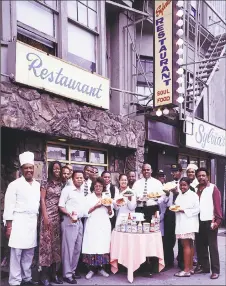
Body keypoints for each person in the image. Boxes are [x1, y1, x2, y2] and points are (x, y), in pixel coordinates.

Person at [3, 151, 40, 286]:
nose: (29, 170)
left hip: (31, 222)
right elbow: (9, 207)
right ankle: (15, 281)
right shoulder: (14, 185)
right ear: (21, 170)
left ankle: (27, 278)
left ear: (34, 169)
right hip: (18, 222)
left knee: (29, 252)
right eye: (26, 168)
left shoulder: (37, 185)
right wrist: (9, 226)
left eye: (31, 167)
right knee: (16, 252)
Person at [132, 163, 164, 276]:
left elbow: (162, 197)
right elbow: (133, 196)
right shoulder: (136, 183)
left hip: (152, 209)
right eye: (144, 169)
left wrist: (155, 199)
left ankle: (154, 265)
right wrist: (137, 199)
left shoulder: (157, 183)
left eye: (148, 170)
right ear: (142, 170)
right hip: (140, 210)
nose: (146, 171)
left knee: (152, 236)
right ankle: (142, 265)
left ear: (151, 170)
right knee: (140, 236)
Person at [58, 170, 88, 284]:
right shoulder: (67, 190)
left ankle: (73, 270)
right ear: (73, 178)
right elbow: (61, 206)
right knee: (68, 249)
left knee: (77, 248)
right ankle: (67, 274)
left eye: (81, 178)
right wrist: (68, 214)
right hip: (69, 221)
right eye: (77, 178)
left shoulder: (81, 192)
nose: (80, 179)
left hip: (79, 221)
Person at [82, 177, 113, 280]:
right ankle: (91, 269)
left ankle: (100, 269)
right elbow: (85, 212)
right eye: (96, 186)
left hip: (104, 225)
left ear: (103, 187)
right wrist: (96, 206)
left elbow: (111, 214)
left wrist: (108, 207)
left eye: (100, 186)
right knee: (92, 246)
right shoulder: (88, 197)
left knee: (102, 246)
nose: (98, 188)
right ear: (93, 187)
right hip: (92, 224)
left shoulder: (107, 197)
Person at [194, 168, 223, 280]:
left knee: (212, 246)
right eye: (199, 176)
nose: (201, 177)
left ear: (207, 177)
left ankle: (215, 270)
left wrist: (218, 221)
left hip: (210, 221)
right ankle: (204, 267)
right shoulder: (196, 189)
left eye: (203, 175)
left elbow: (217, 205)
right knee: (201, 245)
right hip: (198, 221)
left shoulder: (213, 188)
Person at [39, 161, 63, 286]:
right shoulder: (45, 182)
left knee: (55, 247)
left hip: (57, 218)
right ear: (50, 169)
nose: (57, 171)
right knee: (46, 247)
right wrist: (45, 216)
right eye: (55, 169)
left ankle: (54, 274)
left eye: (59, 169)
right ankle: (44, 276)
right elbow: (42, 199)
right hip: (47, 217)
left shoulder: (61, 184)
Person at [173, 177, 199, 277]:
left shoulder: (193, 195)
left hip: (188, 223)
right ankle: (191, 268)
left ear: (188, 185)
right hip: (182, 222)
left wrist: (183, 211)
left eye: (184, 185)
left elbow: (197, 209)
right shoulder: (180, 194)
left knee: (186, 245)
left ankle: (186, 270)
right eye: (181, 185)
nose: (182, 187)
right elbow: (177, 206)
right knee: (190, 245)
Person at [164, 164, 184, 270]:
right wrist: (167, 195)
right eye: (172, 171)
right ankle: (168, 261)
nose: (173, 173)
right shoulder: (168, 184)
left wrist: (176, 193)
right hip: (170, 212)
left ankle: (181, 261)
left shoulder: (184, 183)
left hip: (180, 212)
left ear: (180, 171)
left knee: (181, 237)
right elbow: (164, 201)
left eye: (176, 171)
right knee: (168, 237)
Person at [186, 163, 199, 266]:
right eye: (189, 172)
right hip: (186, 214)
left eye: (192, 172)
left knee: (195, 237)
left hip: (195, 212)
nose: (190, 173)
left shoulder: (197, 183)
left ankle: (195, 258)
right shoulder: (184, 182)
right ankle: (187, 257)